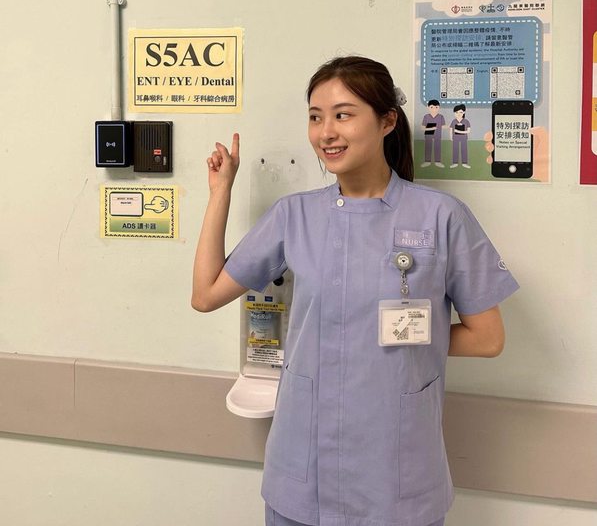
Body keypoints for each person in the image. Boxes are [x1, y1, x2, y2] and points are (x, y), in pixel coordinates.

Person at [192, 56, 519, 526]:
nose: (326, 132)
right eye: (315, 117)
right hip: (302, 469)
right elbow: (205, 295)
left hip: (397, 472)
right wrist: (220, 191)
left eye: (342, 115)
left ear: (387, 121)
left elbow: (488, 338)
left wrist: (393, 337)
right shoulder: (294, 215)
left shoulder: (441, 216)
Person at [421, 99, 446, 167]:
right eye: (432, 107)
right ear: (428, 107)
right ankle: (427, 161)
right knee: (428, 147)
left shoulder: (441, 117)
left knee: (437, 147)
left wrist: (451, 126)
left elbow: (443, 126)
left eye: (436, 107)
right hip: (428, 135)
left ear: (439, 108)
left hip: (437, 135)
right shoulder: (426, 117)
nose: (434, 109)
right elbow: (422, 128)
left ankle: (437, 161)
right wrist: (431, 128)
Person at [449, 104, 471, 169]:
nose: (458, 114)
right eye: (456, 112)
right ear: (454, 113)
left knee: (464, 150)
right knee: (455, 149)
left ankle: (464, 163)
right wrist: (451, 136)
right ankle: (455, 163)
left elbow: (468, 131)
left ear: (464, 112)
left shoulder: (466, 121)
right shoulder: (454, 121)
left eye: (460, 112)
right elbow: (451, 129)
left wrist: (458, 131)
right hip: (455, 138)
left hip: (463, 138)